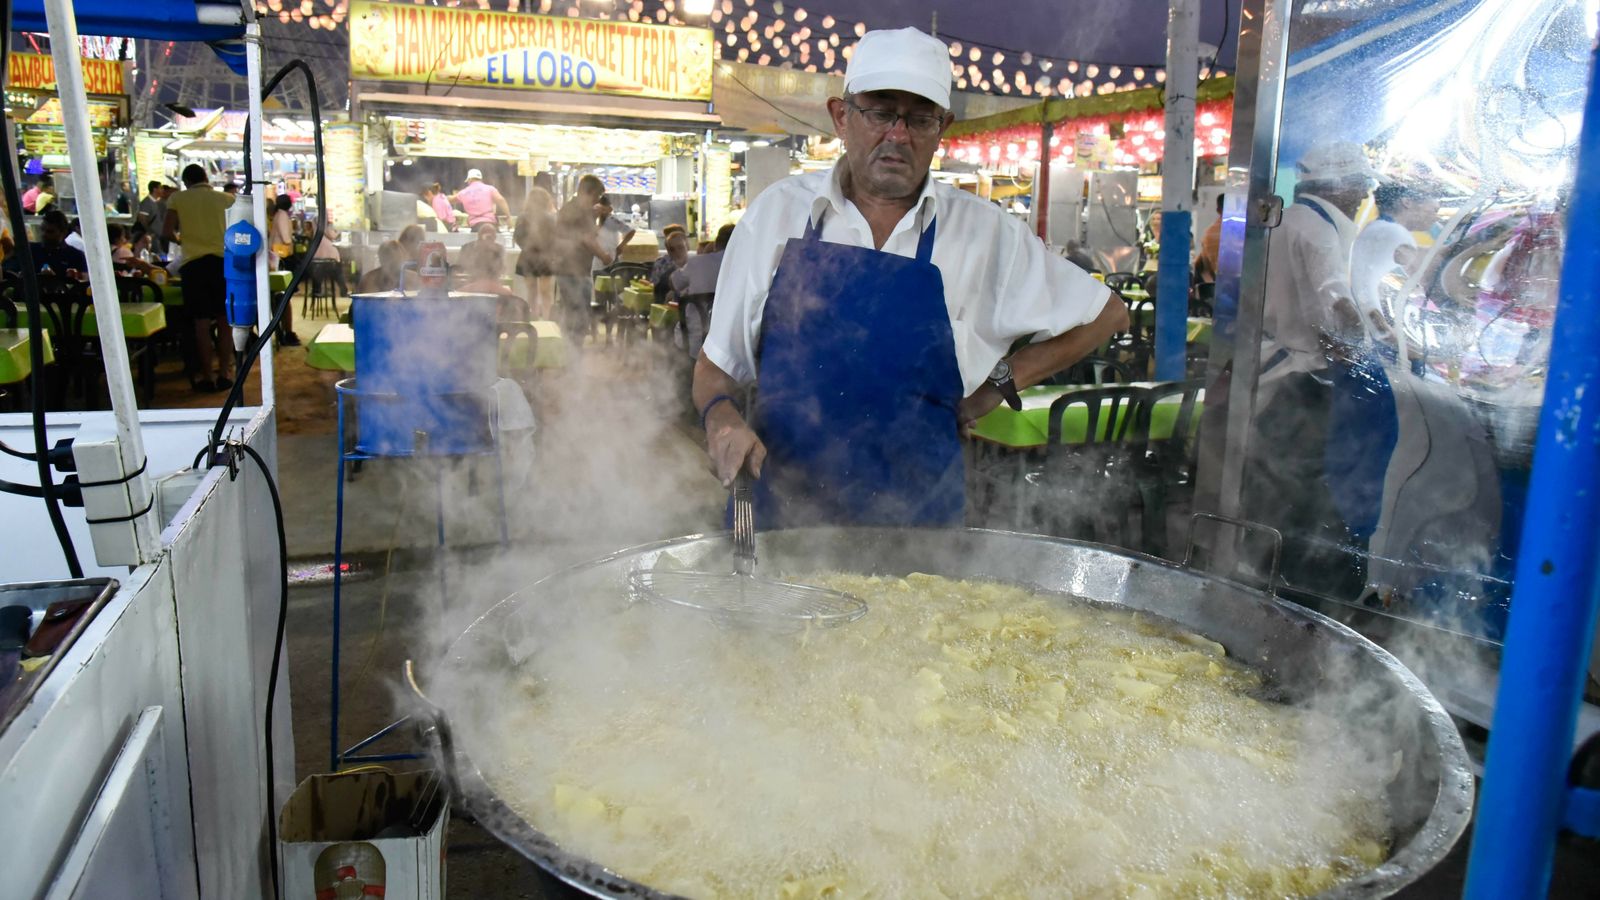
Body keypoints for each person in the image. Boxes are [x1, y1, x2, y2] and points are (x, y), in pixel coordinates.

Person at [694, 27, 1126, 528]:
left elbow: (1107, 314)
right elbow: (714, 369)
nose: (898, 135)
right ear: (842, 116)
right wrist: (721, 420)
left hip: (920, 530)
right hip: (784, 519)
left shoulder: (986, 233)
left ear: (943, 128)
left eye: (920, 119)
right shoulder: (777, 214)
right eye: (880, 113)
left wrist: (998, 384)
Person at [164, 164, 238, 392]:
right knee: (225, 322)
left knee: (201, 324)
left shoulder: (178, 198)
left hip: (193, 266)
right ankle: (224, 373)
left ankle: (207, 377)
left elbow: (166, 232)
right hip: (223, 263)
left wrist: (183, 241)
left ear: (186, 181)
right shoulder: (227, 199)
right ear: (206, 177)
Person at [1350, 181, 1440, 337]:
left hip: (1364, 312)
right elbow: (1427, 275)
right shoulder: (1397, 234)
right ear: (1407, 202)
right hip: (1371, 318)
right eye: (1434, 210)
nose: (1435, 218)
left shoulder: (1377, 227)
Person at [552, 174, 614, 345]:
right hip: (573, 271)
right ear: (587, 192)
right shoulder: (578, 211)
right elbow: (587, 239)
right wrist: (604, 256)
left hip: (570, 269)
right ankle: (573, 353)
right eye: (596, 196)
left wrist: (598, 216)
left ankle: (570, 352)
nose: (597, 200)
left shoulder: (572, 209)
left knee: (572, 315)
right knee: (578, 317)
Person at [513, 186, 558, 317]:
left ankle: (533, 317)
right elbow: (555, 238)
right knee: (546, 292)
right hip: (546, 257)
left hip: (528, 256)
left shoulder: (522, 217)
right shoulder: (550, 218)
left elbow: (517, 237)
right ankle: (547, 317)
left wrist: (527, 246)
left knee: (531, 292)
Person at [5, 209, 88, 277]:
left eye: (50, 231)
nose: (44, 234)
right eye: (42, 229)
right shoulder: (29, 251)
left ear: (63, 232)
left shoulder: (75, 256)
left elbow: (84, 280)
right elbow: (8, 269)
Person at [267, 195, 302, 345]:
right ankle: (287, 332)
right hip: (282, 259)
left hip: (275, 258)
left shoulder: (277, 215)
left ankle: (283, 332)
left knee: (281, 297)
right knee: (284, 296)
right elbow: (286, 238)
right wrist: (290, 240)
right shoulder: (282, 216)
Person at [592, 194, 636, 273]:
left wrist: (621, 246)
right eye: (598, 208)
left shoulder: (613, 220)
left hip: (611, 258)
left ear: (609, 209)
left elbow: (631, 231)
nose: (600, 211)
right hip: (598, 260)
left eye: (603, 209)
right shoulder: (594, 220)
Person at [652, 231, 690, 303]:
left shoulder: (698, 268)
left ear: (687, 247)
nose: (677, 252)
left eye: (680, 247)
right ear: (668, 252)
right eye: (672, 249)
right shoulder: (664, 273)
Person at [1198, 193, 1224, 277]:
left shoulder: (1208, 234)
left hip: (1218, 281)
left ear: (1218, 210)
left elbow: (1203, 268)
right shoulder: (1243, 233)